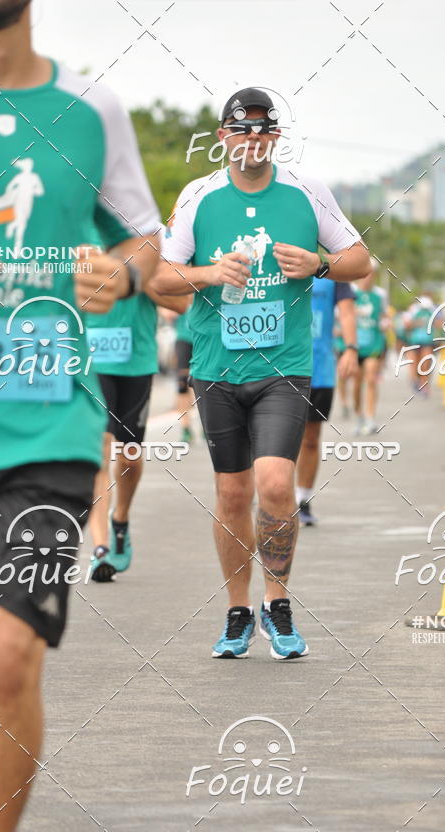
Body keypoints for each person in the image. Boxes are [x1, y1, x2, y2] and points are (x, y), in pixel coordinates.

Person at [0, 2, 160, 832]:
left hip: (47, 427)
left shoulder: (91, 109)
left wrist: (124, 273)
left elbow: (144, 240)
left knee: (4, 648)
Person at [153, 87, 369, 660]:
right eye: (241, 130)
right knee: (231, 494)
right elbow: (159, 280)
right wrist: (210, 271)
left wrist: (319, 263)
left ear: (276, 137)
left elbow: (361, 260)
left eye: (263, 130)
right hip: (218, 367)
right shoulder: (198, 196)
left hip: (285, 367)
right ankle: (237, 611)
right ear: (223, 137)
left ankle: (278, 605)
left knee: (276, 484)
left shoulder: (306, 192)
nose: (253, 140)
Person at [87, 287, 189, 582]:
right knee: (101, 449)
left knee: (130, 458)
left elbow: (180, 303)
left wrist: (139, 279)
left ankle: (120, 520)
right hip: (93, 362)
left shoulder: (148, 248)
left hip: (137, 362)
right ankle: (100, 548)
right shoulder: (83, 246)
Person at [296, 277, 357, 526]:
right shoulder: (278, 259)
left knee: (310, 439)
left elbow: (347, 312)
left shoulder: (334, 271)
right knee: (273, 437)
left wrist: (351, 348)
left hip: (319, 370)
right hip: (279, 368)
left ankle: (302, 499)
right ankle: (268, 495)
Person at [352, 261, 389, 434]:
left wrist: (385, 324)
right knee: (357, 383)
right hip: (355, 345)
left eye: (371, 274)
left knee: (371, 378)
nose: (368, 278)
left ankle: (371, 418)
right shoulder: (351, 292)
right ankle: (359, 416)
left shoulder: (380, 295)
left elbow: (384, 315)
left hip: (374, 343)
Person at [403, 294, 436, 394]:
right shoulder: (413, 310)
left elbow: (439, 323)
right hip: (413, 342)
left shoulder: (432, 310)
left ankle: (424, 385)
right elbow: (407, 325)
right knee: (414, 364)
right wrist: (417, 323)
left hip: (427, 342)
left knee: (425, 365)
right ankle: (415, 382)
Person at [174, 306, 196, 443]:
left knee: (204, 382)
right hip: (184, 338)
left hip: (204, 338)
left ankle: (206, 423)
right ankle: (186, 428)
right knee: (182, 383)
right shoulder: (181, 286)